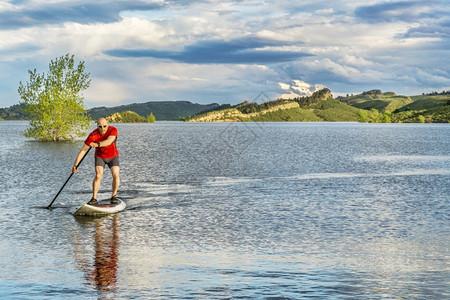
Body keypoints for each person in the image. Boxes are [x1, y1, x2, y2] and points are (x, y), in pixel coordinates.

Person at [73, 118, 120, 205]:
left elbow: (109, 141)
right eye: (100, 127)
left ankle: (114, 196)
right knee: (98, 175)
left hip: (113, 157)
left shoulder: (113, 130)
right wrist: (76, 165)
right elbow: (83, 150)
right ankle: (94, 198)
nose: (103, 129)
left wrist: (97, 144)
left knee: (116, 174)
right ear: (97, 126)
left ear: (107, 124)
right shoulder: (93, 135)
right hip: (100, 157)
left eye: (104, 126)